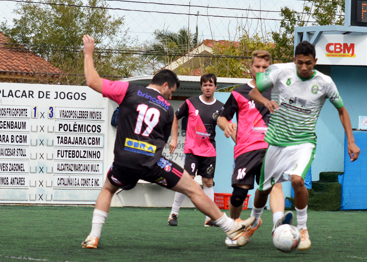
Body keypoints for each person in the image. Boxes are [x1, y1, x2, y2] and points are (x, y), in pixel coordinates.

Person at [79, 34, 257, 249]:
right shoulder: (165, 109)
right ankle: (231, 227)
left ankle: (93, 236)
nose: (170, 97)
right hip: (151, 163)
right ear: (165, 85)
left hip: (123, 161)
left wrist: (88, 53)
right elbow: (160, 142)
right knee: (193, 188)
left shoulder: (128, 90)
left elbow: (92, 81)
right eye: (171, 92)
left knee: (108, 189)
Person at [248, 40, 360, 251]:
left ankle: (302, 228)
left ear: (315, 61)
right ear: (294, 60)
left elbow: (342, 110)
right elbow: (254, 91)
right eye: (300, 63)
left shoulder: (325, 82)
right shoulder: (280, 71)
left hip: (304, 142)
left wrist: (351, 142)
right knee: (264, 190)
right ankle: (253, 222)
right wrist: (266, 99)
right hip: (276, 141)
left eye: (309, 63)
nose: (304, 68)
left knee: (298, 181)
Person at [216, 50, 284, 247]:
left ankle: (278, 226)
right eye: (257, 67)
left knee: (275, 185)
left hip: (271, 147)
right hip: (246, 150)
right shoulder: (238, 93)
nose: (261, 70)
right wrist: (226, 125)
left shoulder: (278, 91)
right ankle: (234, 228)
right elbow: (222, 117)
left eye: (265, 67)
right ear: (250, 67)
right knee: (238, 196)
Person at [167, 73, 225, 227]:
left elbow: (227, 125)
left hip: (210, 151)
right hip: (192, 149)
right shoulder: (190, 102)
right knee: (187, 179)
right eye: (205, 85)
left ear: (215, 87)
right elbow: (175, 117)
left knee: (208, 182)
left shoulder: (220, 107)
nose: (207, 87)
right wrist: (174, 139)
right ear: (201, 87)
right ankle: (173, 213)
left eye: (210, 85)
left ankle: (210, 218)